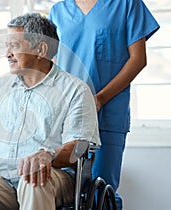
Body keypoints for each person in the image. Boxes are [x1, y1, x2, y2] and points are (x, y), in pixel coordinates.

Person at [0, 13, 100, 210]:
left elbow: (77, 146)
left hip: (51, 179)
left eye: (14, 45)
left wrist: (48, 155)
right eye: (7, 46)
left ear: (41, 49)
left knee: (35, 176)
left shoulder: (75, 90)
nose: (7, 54)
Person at [49, 0, 160, 209]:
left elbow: (138, 60)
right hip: (66, 115)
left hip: (108, 111)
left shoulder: (127, 5)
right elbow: (52, 63)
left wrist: (100, 98)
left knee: (101, 191)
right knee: (66, 191)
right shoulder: (58, 11)